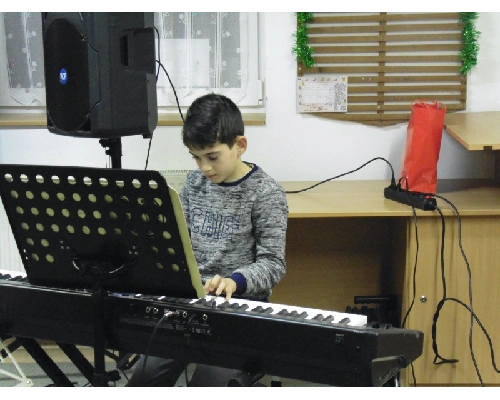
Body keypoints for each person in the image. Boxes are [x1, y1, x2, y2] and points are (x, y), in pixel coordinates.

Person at [127, 93, 288, 391]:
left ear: (239, 145)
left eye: (212, 157)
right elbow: (180, 243)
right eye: (196, 157)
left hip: (239, 308)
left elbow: (273, 264)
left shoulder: (265, 193)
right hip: (190, 305)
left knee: (206, 387)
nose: (204, 168)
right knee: (142, 383)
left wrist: (234, 281)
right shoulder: (194, 184)